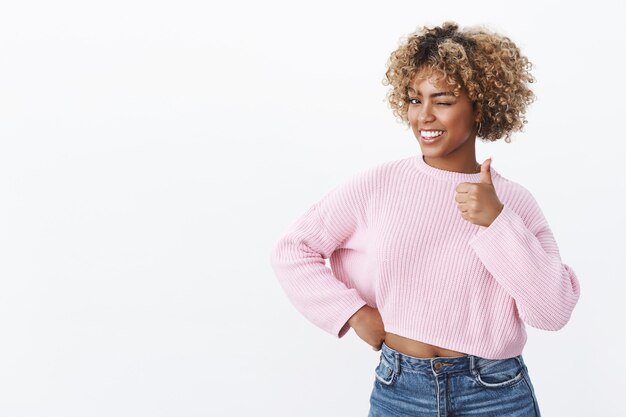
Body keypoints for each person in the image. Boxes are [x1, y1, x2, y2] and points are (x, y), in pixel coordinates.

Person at [269, 21, 580, 416]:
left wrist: (498, 222)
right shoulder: (378, 184)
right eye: (416, 100)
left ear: (479, 105)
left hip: (496, 394)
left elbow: (552, 312)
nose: (424, 117)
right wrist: (353, 313)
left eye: (443, 100)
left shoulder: (514, 202)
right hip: (401, 389)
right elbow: (293, 249)